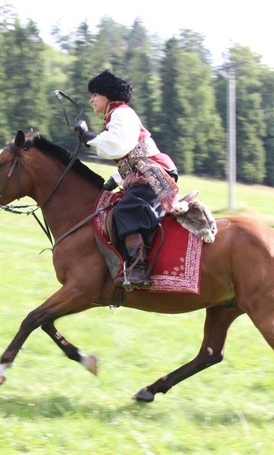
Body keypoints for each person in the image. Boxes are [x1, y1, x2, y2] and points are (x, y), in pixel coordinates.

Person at [75, 69, 183, 290]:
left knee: (127, 210)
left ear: (107, 95)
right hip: (144, 172)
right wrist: (112, 182)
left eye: (95, 94)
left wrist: (90, 139)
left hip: (154, 173)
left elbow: (119, 145)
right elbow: (131, 157)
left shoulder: (121, 114)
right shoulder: (116, 115)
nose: (91, 99)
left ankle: (138, 269)